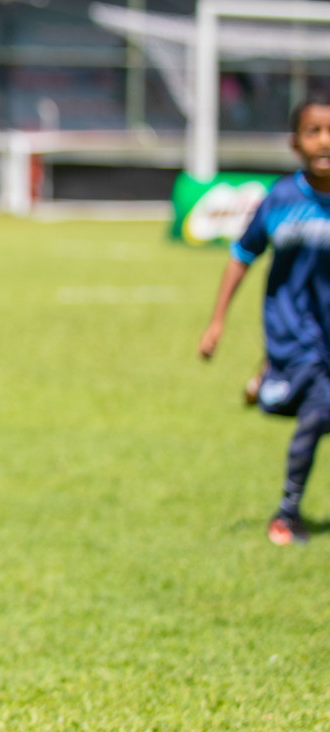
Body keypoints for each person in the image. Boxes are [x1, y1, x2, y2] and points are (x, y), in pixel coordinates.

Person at [200, 91, 330, 546]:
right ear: (295, 143)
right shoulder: (281, 198)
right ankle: (286, 516)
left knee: (318, 407)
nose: (325, 141)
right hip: (292, 332)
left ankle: (271, 387)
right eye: (313, 131)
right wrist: (217, 322)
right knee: (321, 409)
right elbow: (242, 256)